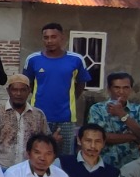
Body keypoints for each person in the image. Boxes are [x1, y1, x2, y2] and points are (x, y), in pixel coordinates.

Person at [23, 23, 91, 156]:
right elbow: (27, 83)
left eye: (53, 37)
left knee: (65, 157)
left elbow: (81, 84)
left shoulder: (76, 59)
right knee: (38, 153)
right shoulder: (33, 59)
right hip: (38, 116)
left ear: (62, 38)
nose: (49, 41)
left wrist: (68, 99)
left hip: (66, 117)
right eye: (46, 37)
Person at [0, 75, 50, 169]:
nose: (18, 93)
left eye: (23, 90)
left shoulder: (38, 115)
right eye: (14, 90)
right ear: (8, 91)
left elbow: (44, 142)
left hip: (28, 169)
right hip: (1, 168)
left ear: (29, 91)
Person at [87, 72, 140, 168]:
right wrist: (133, 137)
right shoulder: (97, 109)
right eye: (117, 87)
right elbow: (99, 137)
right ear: (109, 89)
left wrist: (122, 115)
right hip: (105, 165)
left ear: (131, 89)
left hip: (135, 166)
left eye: (126, 88)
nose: (121, 92)